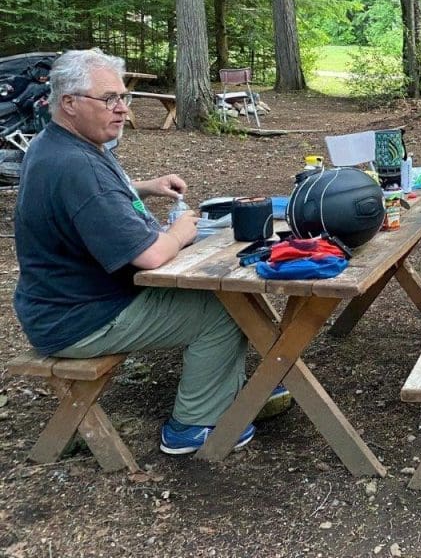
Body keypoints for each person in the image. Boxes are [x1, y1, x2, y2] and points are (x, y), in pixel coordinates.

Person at [12, 48, 286, 455]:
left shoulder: (53, 145)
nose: (121, 109)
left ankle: (233, 388)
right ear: (68, 103)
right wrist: (179, 231)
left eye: (123, 98)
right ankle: (194, 426)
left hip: (61, 304)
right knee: (222, 310)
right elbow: (152, 257)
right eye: (109, 99)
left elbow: (91, 197)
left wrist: (144, 187)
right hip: (79, 319)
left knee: (227, 294)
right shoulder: (75, 165)